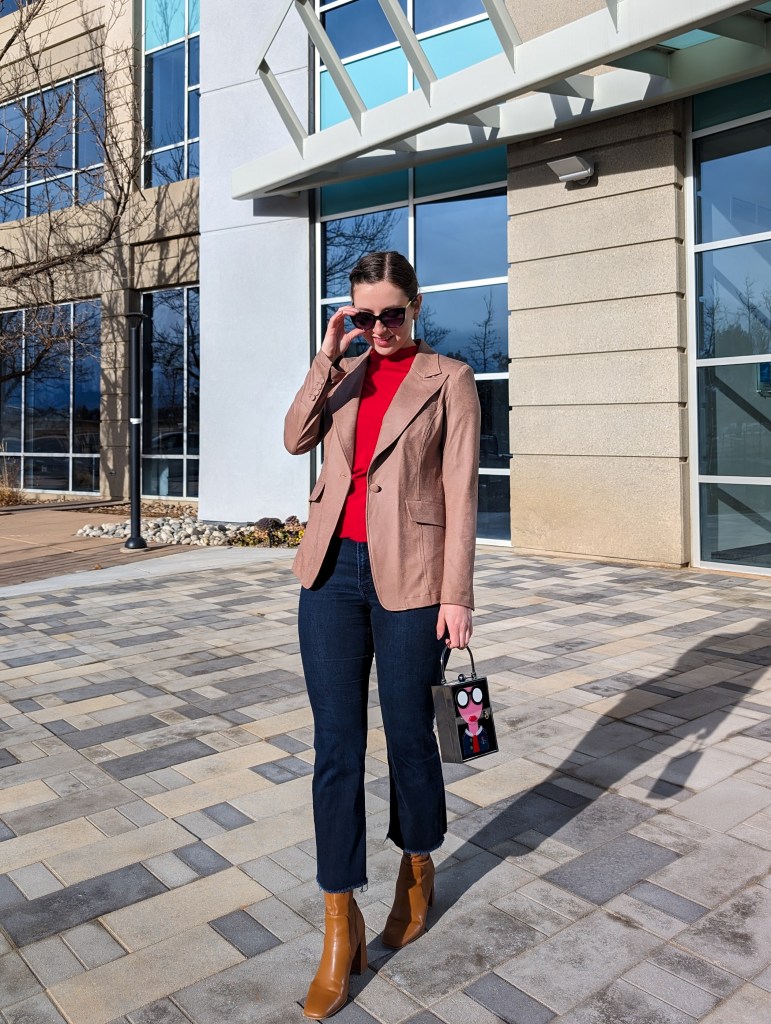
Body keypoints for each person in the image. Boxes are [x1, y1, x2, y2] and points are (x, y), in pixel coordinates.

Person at [284, 250, 480, 1020]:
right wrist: (327, 358)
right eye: (362, 316)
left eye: (389, 315)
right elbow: (296, 437)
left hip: (412, 578)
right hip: (330, 574)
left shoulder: (449, 379)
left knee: (408, 734)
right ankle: (340, 917)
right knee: (335, 746)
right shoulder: (347, 372)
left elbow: (461, 490)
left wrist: (455, 595)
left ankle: (417, 862)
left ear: (415, 309)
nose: (377, 329)